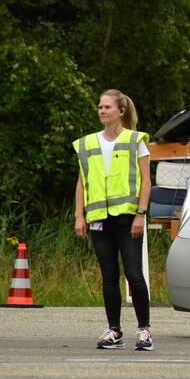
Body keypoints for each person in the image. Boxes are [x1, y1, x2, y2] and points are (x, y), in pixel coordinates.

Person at [74, 89, 154, 351]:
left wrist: (141, 214)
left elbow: (146, 181)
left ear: (121, 111)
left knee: (134, 274)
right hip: (99, 218)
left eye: (107, 107)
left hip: (128, 217)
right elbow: (82, 182)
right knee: (108, 276)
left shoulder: (135, 140)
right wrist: (79, 216)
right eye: (100, 107)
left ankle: (144, 331)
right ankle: (114, 330)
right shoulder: (88, 143)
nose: (102, 111)